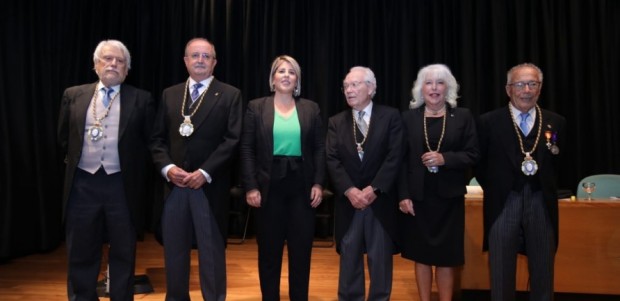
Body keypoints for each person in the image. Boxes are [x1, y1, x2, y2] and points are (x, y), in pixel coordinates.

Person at [57, 39, 155, 301]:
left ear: (127, 69)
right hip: (82, 185)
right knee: (81, 251)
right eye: (107, 59)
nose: (113, 64)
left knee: (123, 251)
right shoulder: (73, 95)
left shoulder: (142, 99)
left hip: (122, 187)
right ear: (95, 64)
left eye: (120, 61)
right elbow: (64, 139)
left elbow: (150, 143)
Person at [150, 37, 243, 301]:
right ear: (185, 61)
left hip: (208, 187)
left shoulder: (230, 94)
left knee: (211, 254)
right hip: (174, 186)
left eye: (206, 56)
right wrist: (167, 168)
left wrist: (204, 172)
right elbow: (156, 139)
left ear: (214, 62)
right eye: (195, 55)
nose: (200, 60)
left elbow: (233, 139)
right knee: (175, 252)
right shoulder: (170, 94)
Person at [475, 63, 566, 301]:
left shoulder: (555, 122)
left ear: (540, 88)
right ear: (508, 89)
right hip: (503, 204)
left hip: (541, 204)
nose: (526, 89)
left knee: (543, 272)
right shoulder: (488, 122)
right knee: (501, 273)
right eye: (520, 84)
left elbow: (561, 163)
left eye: (532, 84)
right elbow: (479, 165)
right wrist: (499, 188)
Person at [240, 55, 326, 301]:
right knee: (269, 252)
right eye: (281, 71)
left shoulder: (311, 108)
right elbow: (247, 149)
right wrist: (251, 186)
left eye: (292, 72)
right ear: (273, 78)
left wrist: (319, 182)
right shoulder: (256, 107)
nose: (286, 75)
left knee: (301, 253)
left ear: (297, 80)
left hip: (302, 185)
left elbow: (320, 148)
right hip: (268, 186)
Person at [397, 64, 479, 301]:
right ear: (420, 89)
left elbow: (473, 154)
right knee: (420, 255)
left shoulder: (463, 116)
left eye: (440, 83)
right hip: (418, 198)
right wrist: (403, 195)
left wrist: (446, 158)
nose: (434, 88)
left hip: (449, 197)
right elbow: (399, 161)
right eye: (428, 83)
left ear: (448, 88)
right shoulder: (408, 118)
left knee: (447, 256)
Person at [326, 66, 403, 301]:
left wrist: (374, 188)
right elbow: (331, 159)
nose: (349, 90)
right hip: (349, 203)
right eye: (346, 86)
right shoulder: (336, 122)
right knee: (349, 259)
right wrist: (350, 190)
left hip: (379, 202)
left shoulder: (390, 117)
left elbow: (395, 155)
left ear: (371, 88)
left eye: (355, 84)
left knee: (380, 261)